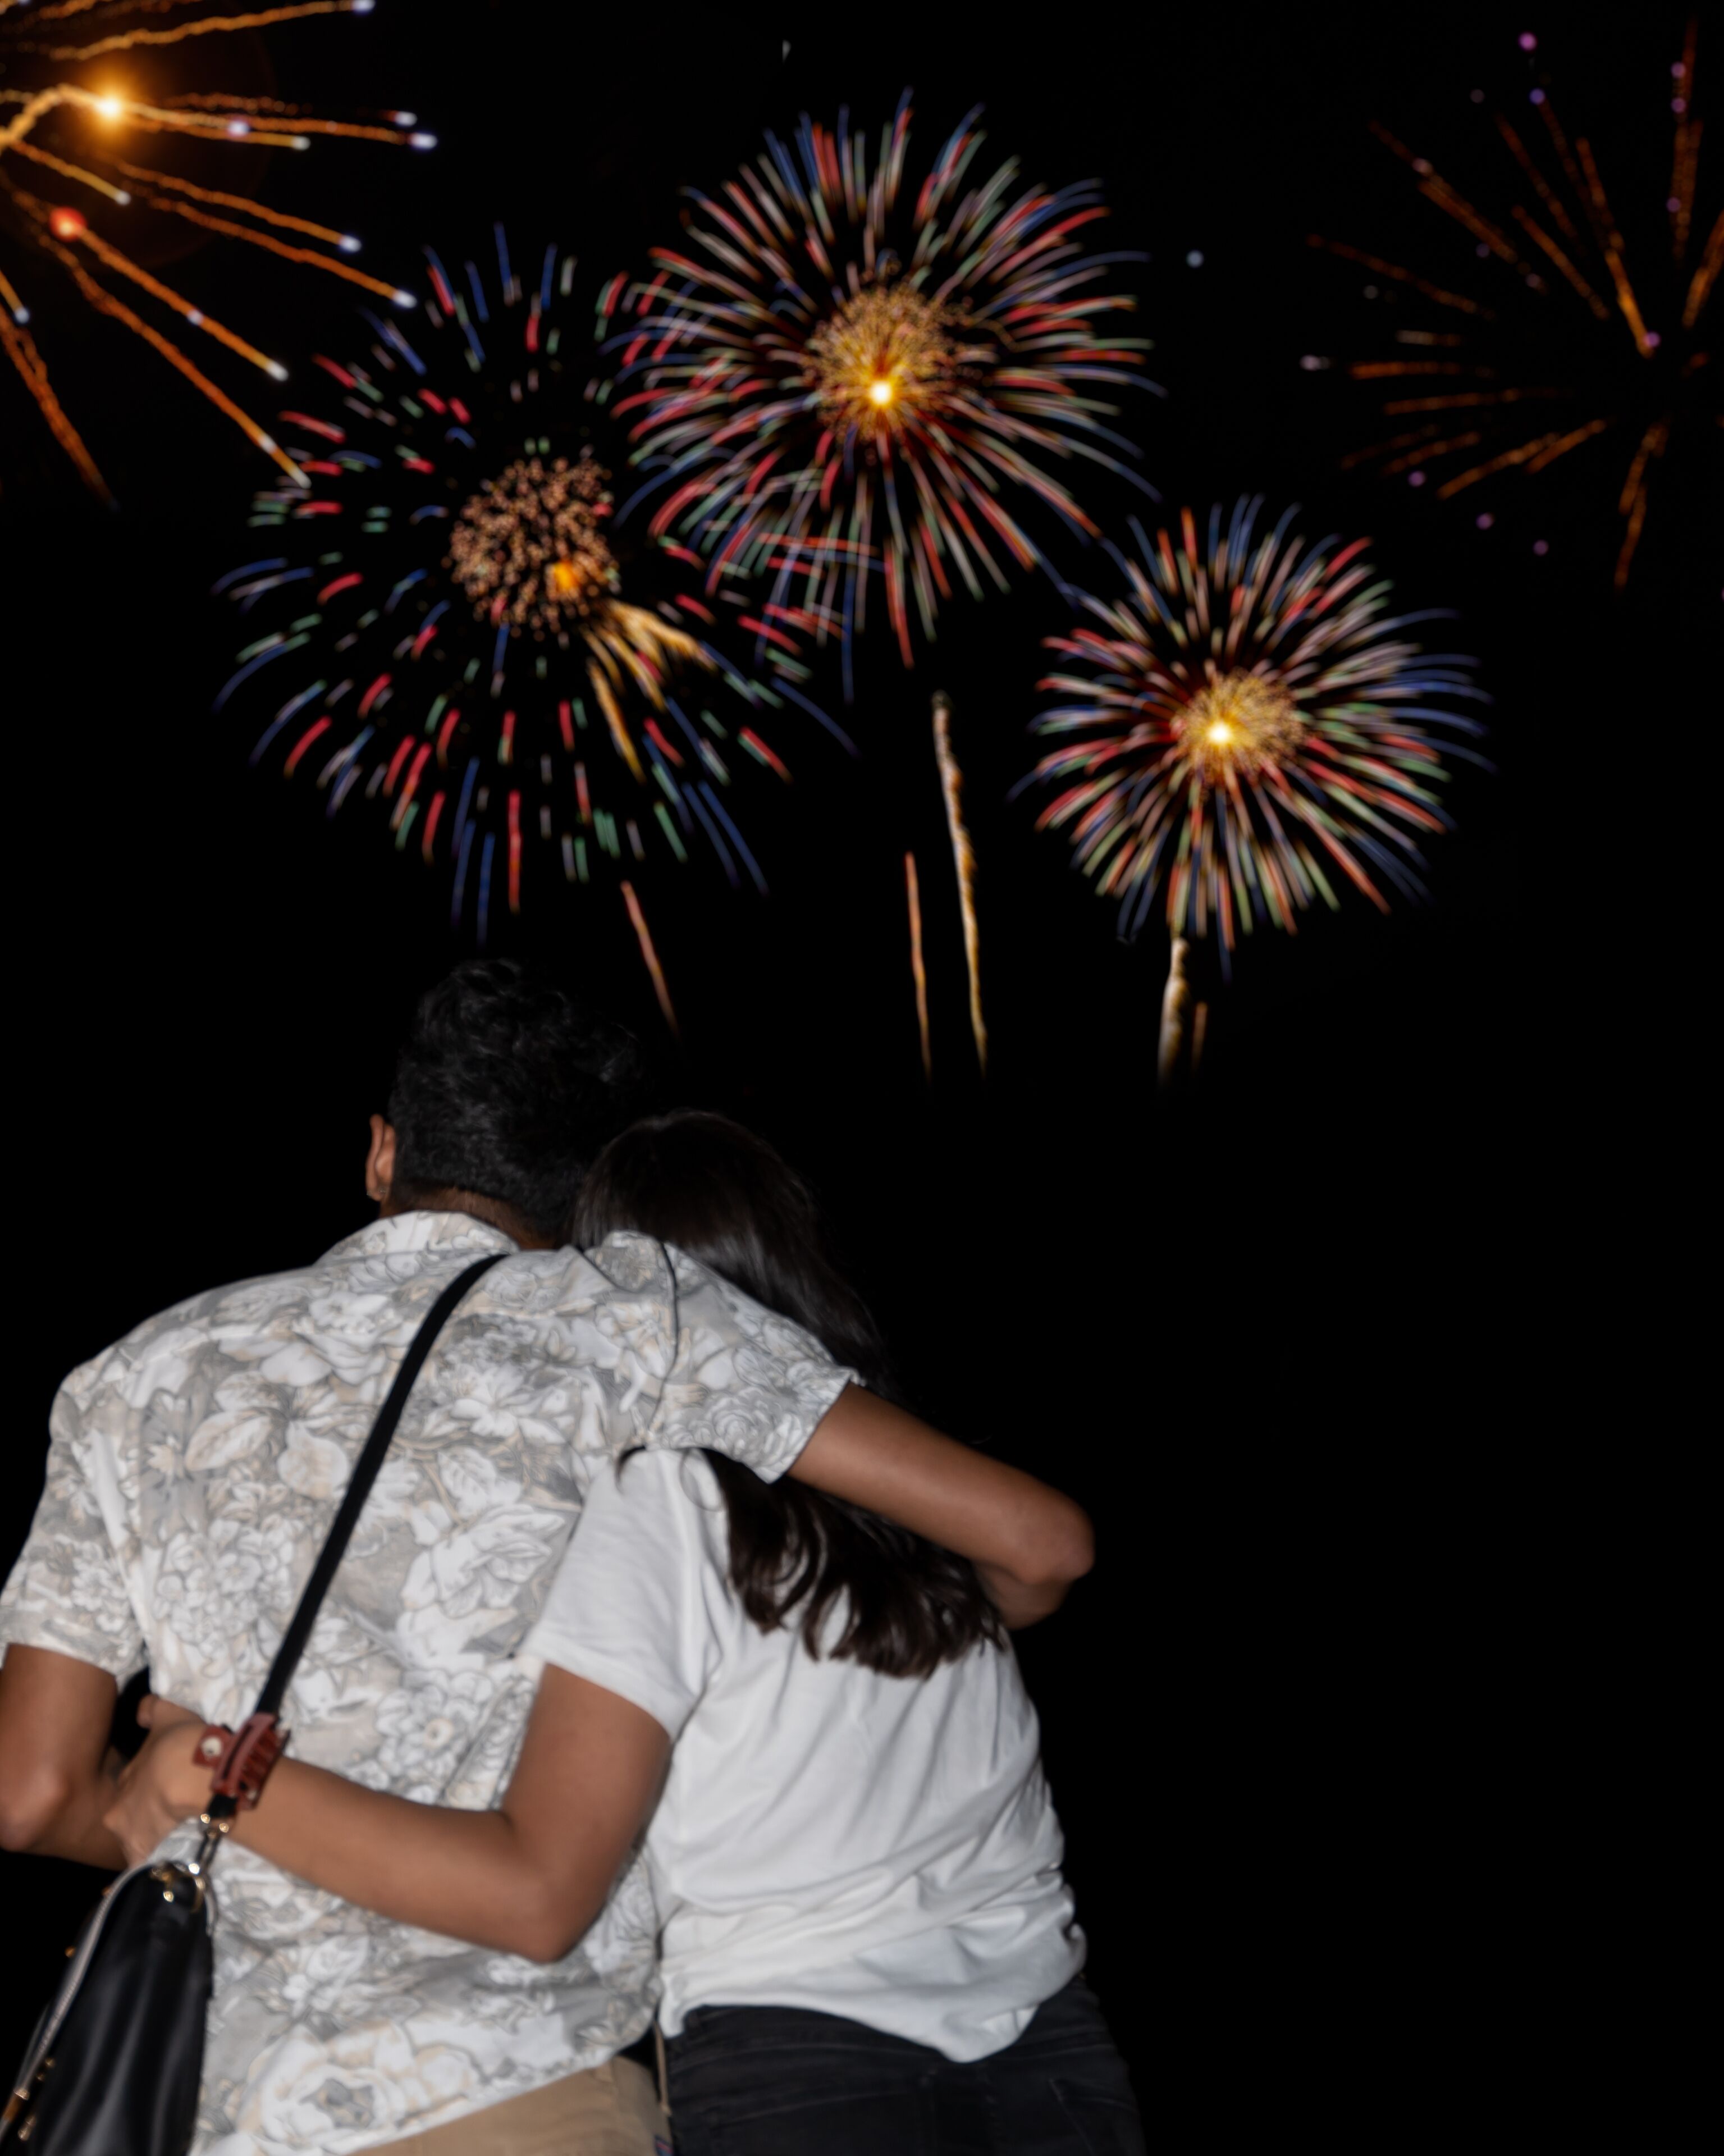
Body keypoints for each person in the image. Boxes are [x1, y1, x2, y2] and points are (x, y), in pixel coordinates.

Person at [0, 966, 1091, 2156]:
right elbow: (1032, 1537)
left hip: (197, 2096)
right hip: (525, 2086)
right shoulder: (641, 1314)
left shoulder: (132, 1377)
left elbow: (32, 1795)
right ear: (587, 1196)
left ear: (381, 1154)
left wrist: (176, 1790)